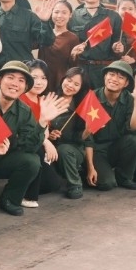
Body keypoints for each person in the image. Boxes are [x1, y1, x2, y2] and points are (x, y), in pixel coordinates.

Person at [0, 61, 66, 216]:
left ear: (25, 87)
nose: (15, 84)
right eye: (10, 77)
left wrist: (42, 122)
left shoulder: (24, 111)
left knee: (31, 161)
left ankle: (10, 199)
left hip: (2, 161)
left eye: (21, 80)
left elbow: (29, 147)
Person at [83, 61, 136, 191]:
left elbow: (134, 130)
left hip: (117, 147)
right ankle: (87, 171)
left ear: (126, 83)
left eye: (120, 77)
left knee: (135, 141)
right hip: (97, 150)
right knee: (106, 184)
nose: (114, 79)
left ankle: (125, 177)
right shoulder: (92, 97)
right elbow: (87, 138)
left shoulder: (130, 99)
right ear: (105, 77)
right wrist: (90, 167)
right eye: (111, 74)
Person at [20, 60, 68, 207]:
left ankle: (17, 188)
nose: (39, 82)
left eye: (44, 78)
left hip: (40, 143)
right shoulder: (21, 100)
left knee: (53, 184)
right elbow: (26, 131)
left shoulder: (43, 100)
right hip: (23, 145)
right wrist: (46, 143)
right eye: (34, 77)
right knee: (38, 150)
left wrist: (49, 137)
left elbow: (45, 127)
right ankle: (28, 196)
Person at [69, 0, 122, 89]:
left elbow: (120, 41)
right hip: (80, 70)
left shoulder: (113, 17)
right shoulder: (73, 16)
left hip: (103, 71)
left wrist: (117, 47)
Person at [50, 67, 90, 199]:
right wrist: (49, 134)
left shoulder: (81, 106)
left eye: (76, 84)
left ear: (81, 88)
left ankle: (75, 184)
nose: (70, 85)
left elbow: (80, 139)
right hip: (50, 148)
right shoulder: (50, 97)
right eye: (69, 80)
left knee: (64, 149)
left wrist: (87, 131)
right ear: (63, 78)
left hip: (72, 149)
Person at [41, 0, 80, 93]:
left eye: (64, 12)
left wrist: (73, 55)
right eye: (56, 12)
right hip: (41, 78)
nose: (59, 16)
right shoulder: (44, 32)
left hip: (59, 80)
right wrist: (42, 20)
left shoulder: (73, 38)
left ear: (70, 15)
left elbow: (73, 66)